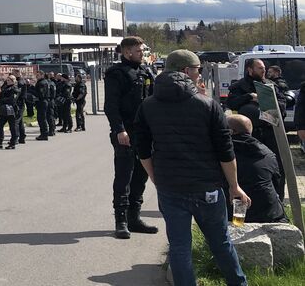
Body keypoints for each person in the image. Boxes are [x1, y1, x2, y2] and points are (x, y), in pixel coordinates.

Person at [133, 49, 249, 286]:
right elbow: (225, 151)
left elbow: (142, 149)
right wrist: (234, 186)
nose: (199, 74)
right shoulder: (207, 105)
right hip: (207, 186)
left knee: (179, 247)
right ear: (186, 71)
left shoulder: (148, 105)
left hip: (170, 186)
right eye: (197, 69)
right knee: (221, 243)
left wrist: (156, 177)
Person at [104, 36, 158, 239]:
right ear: (127, 52)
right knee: (124, 176)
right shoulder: (116, 74)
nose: (142, 54)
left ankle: (134, 218)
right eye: (139, 51)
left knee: (141, 176)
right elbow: (111, 106)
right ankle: (121, 221)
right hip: (125, 132)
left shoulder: (146, 71)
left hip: (145, 132)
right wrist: (119, 130)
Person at [227, 58, 285, 200]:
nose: (264, 70)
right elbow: (231, 103)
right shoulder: (239, 86)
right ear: (250, 70)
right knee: (248, 167)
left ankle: (278, 199)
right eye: (260, 68)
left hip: (270, 132)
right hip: (247, 135)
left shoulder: (271, 86)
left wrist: (267, 102)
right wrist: (249, 97)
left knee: (277, 166)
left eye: (264, 68)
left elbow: (282, 107)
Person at [228, 114, 287, 223]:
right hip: (271, 214)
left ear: (231, 132)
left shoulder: (223, 154)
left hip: (236, 214)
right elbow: (277, 183)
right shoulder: (268, 153)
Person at [0, 75, 20, 150]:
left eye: (9, 80)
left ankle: (12, 143)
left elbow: (12, 99)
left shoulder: (15, 89)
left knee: (12, 127)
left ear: (13, 81)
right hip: (3, 110)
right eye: (7, 80)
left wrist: (1, 100)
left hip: (11, 110)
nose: (7, 82)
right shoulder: (5, 88)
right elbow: (0, 95)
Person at [34, 71, 51, 141]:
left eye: (38, 75)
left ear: (42, 75)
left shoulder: (42, 83)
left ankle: (44, 134)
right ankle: (43, 134)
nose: (36, 76)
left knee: (42, 119)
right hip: (42, 102)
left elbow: (41, 93)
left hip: (42, 101)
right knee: (41, 118)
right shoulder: (43, 82)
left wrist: (32, 90)